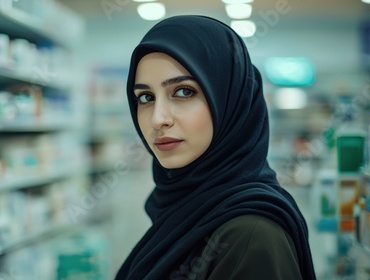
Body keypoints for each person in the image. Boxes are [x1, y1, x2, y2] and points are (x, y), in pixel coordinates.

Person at [115, 15, 316, 280]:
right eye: (146, 97)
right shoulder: (182, 208)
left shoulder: (251, 237)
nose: (157, 119)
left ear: (231, 102)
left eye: (184, 92)